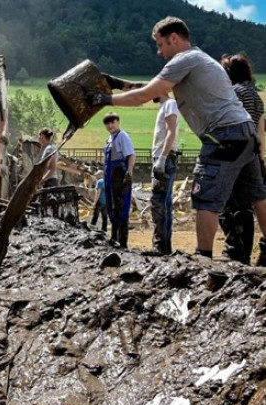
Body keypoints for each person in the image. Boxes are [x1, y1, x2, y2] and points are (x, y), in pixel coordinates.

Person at [87, 17, 266, 263]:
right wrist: (117, 84)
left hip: (222, 135)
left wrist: (104, 100)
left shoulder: (183, 60)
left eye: (161, 45)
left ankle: (202, 260)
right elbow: (154, 88)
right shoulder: (202, 60)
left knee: (205, 197)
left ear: (174, 38)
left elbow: (147, 94)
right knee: (257, 195)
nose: (160, 52)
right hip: (246, 133)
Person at [218, 53, 265, 264]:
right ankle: (251, 250)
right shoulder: (255, 96)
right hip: (252, 152)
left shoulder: (233, 93)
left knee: (231, 204)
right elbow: (260, 129)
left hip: (234, 151)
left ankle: (236, 250)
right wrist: (260, 157)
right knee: (249, 203)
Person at [149, 93, 181, 255]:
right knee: (165, 202)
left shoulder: (169, 104)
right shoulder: (167, 105)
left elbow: (171, 131)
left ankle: (160, 245)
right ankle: (164, 245)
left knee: (158, 200)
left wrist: (162, 158)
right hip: (166, 157)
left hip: (165, 157)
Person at [102, 112, 136, 248]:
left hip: (120, 175)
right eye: (107, 123)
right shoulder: (109, 139)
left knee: (121, 207)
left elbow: (131, 155)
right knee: (111, 207)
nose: (110, 125)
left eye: (113, 122)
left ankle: (123, 242)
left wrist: (129, 172)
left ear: (118, 122)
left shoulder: (123, 136)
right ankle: (113, 237)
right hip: (109, 175)